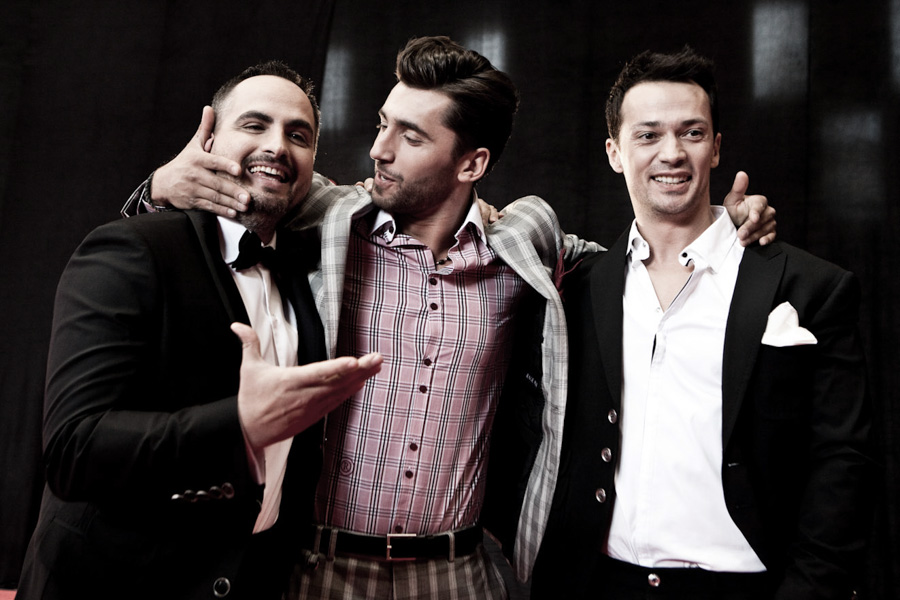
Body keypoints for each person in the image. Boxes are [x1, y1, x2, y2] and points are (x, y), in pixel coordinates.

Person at [123, 38, 775, 598]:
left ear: (472, 164)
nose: (378, 150)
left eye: (410, 136)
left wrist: (723, 227)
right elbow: (214, 216)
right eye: (383, 124)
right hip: (316, 568)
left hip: (463, 574)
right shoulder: (329, 218)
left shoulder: (523, 244)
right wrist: (157, 189)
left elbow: (633, 267)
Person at [16, 62, 383, 600]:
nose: (277, 146)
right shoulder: (133, 247)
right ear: (208, 141)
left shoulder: (308, 274)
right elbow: (74, 451)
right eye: (254, 125)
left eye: (298, 135)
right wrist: (239, 425)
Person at [530, 47, 873, 599]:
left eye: (691, 133)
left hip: (747, 586)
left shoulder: (809, 286)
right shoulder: (580, 286)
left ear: (715, 148)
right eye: (648, 135)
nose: (671, 153)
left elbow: (842, 460)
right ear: (615, 152)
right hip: (601, 584)